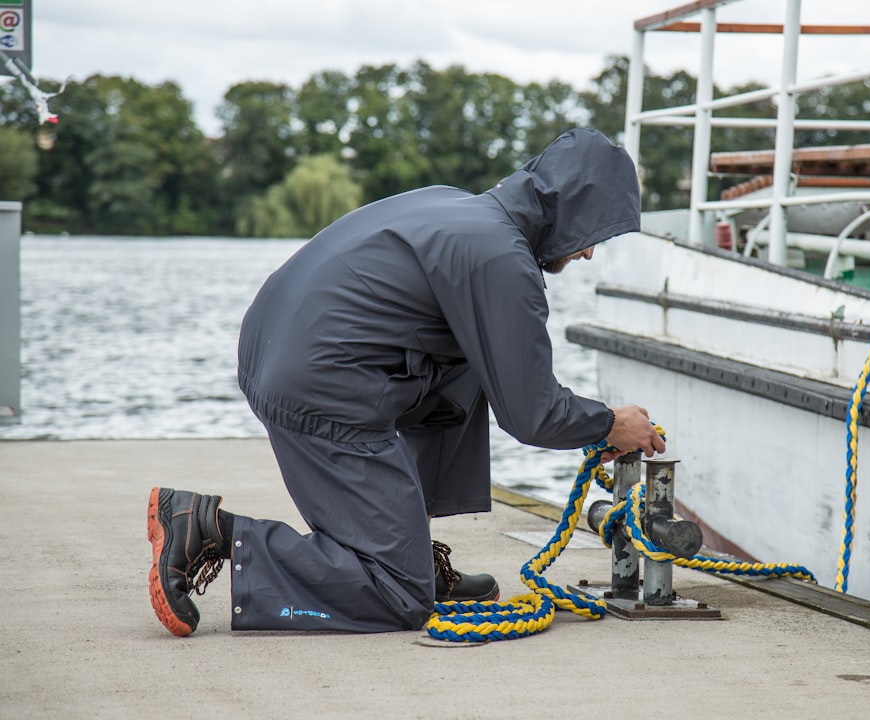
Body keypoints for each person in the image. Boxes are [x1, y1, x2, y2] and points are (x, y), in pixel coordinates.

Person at [147, 127, 666, 637]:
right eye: (593, 234)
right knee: (398, 593)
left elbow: (508, 381)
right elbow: (532, 414)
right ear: (570, 210)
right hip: (320, 386)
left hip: (276, 352)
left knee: (473, 360)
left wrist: (590, 427)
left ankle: (410, 547)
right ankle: (210, 530)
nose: (589, 253)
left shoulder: (456, 207)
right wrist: (608, 423)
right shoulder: (502, 261)